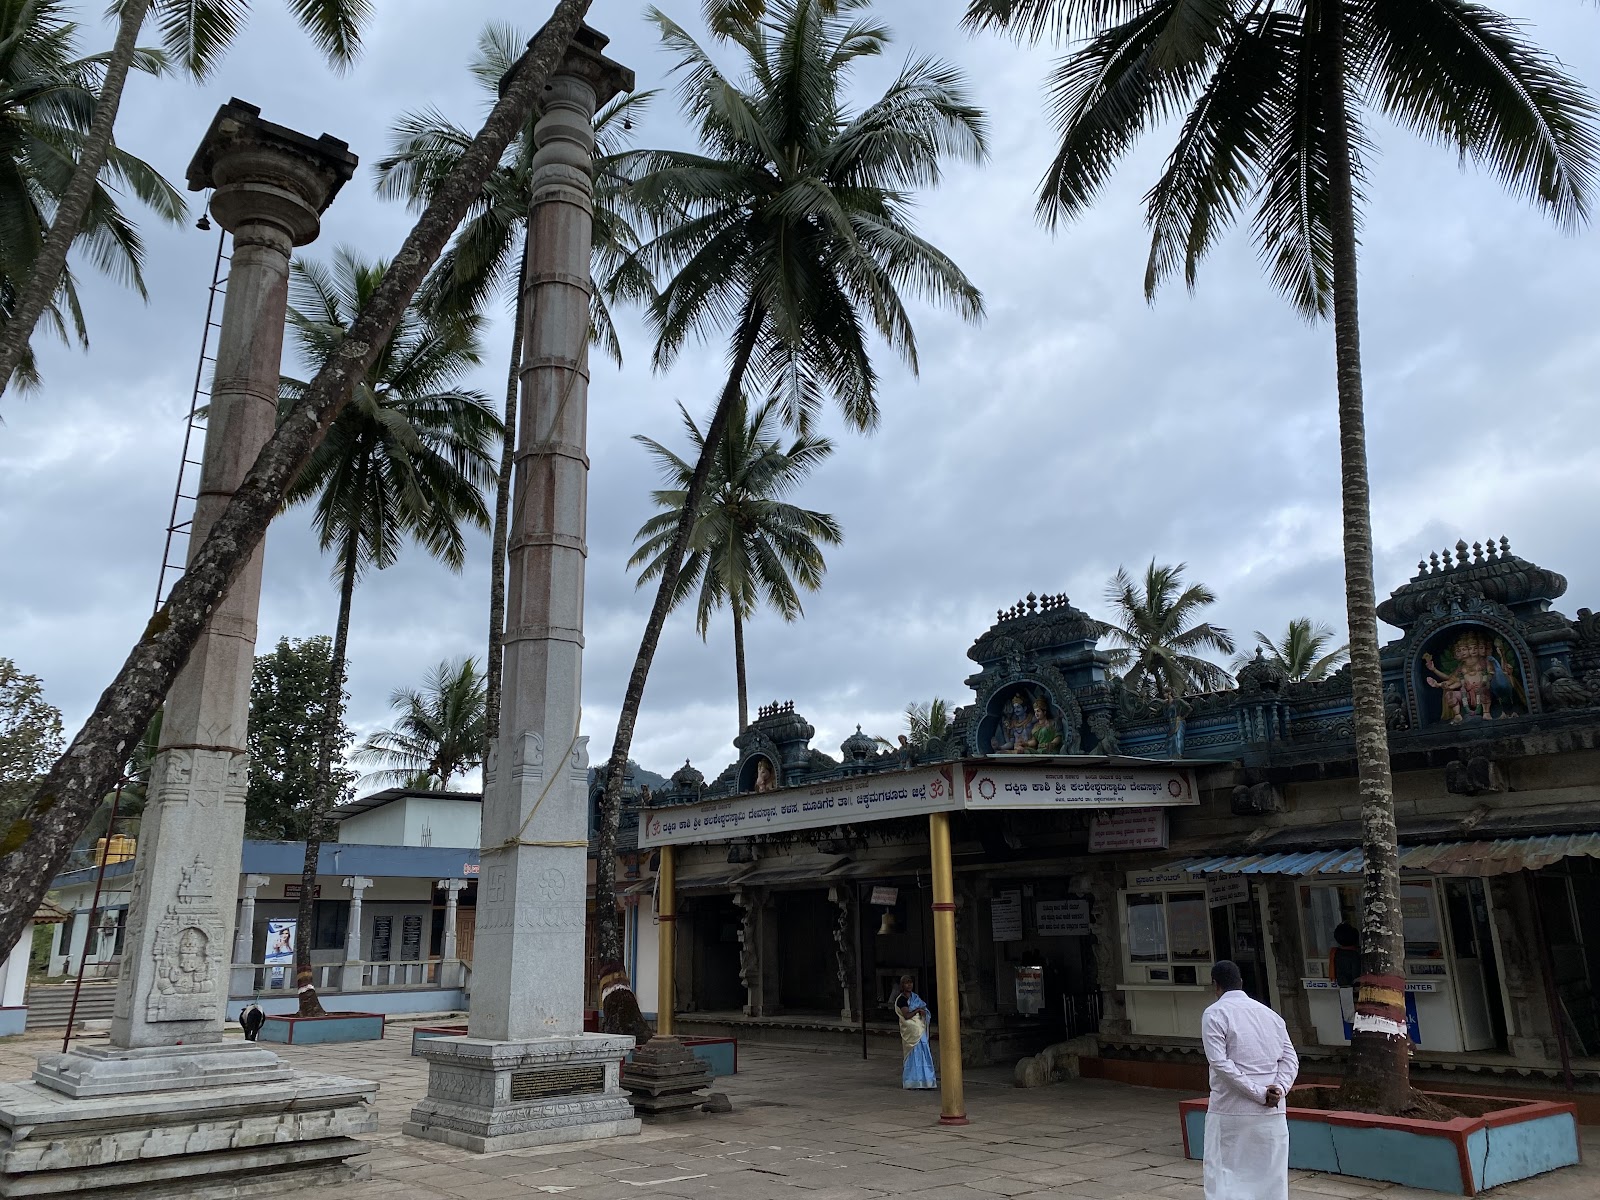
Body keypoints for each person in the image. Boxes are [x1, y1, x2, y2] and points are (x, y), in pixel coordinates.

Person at [1201, 960, 1298, 1200]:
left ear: (1216, 985)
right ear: (1241, 983)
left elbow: (1220, 1063)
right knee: (1271, 1182)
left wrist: (1258, 1092)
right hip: (1272, 1113)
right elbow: (1290, 1059)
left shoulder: (1215, 1013)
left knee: (1224, 1179)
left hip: (1231, 1111)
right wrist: (1278, 1089)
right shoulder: (1270, 1015)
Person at [894, 975, 937, 1090]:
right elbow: (907, 1016)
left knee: (923, 1054)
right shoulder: (902, 1000)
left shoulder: (915, 997)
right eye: (906, 983)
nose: (909, 985)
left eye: (910, 982)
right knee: (913, 1056)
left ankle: (926, 1081)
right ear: (902, 985)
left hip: (920, 1030)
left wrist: (923, 1012)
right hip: (911, 1033)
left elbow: (924, 1008)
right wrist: (918, 1010)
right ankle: (912, 1081)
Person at [1327, 923, 1360, 988]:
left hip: (1341, 984)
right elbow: (1356, 974)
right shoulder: (1354, 955)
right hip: (1354, 987)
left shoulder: (1335, 953)